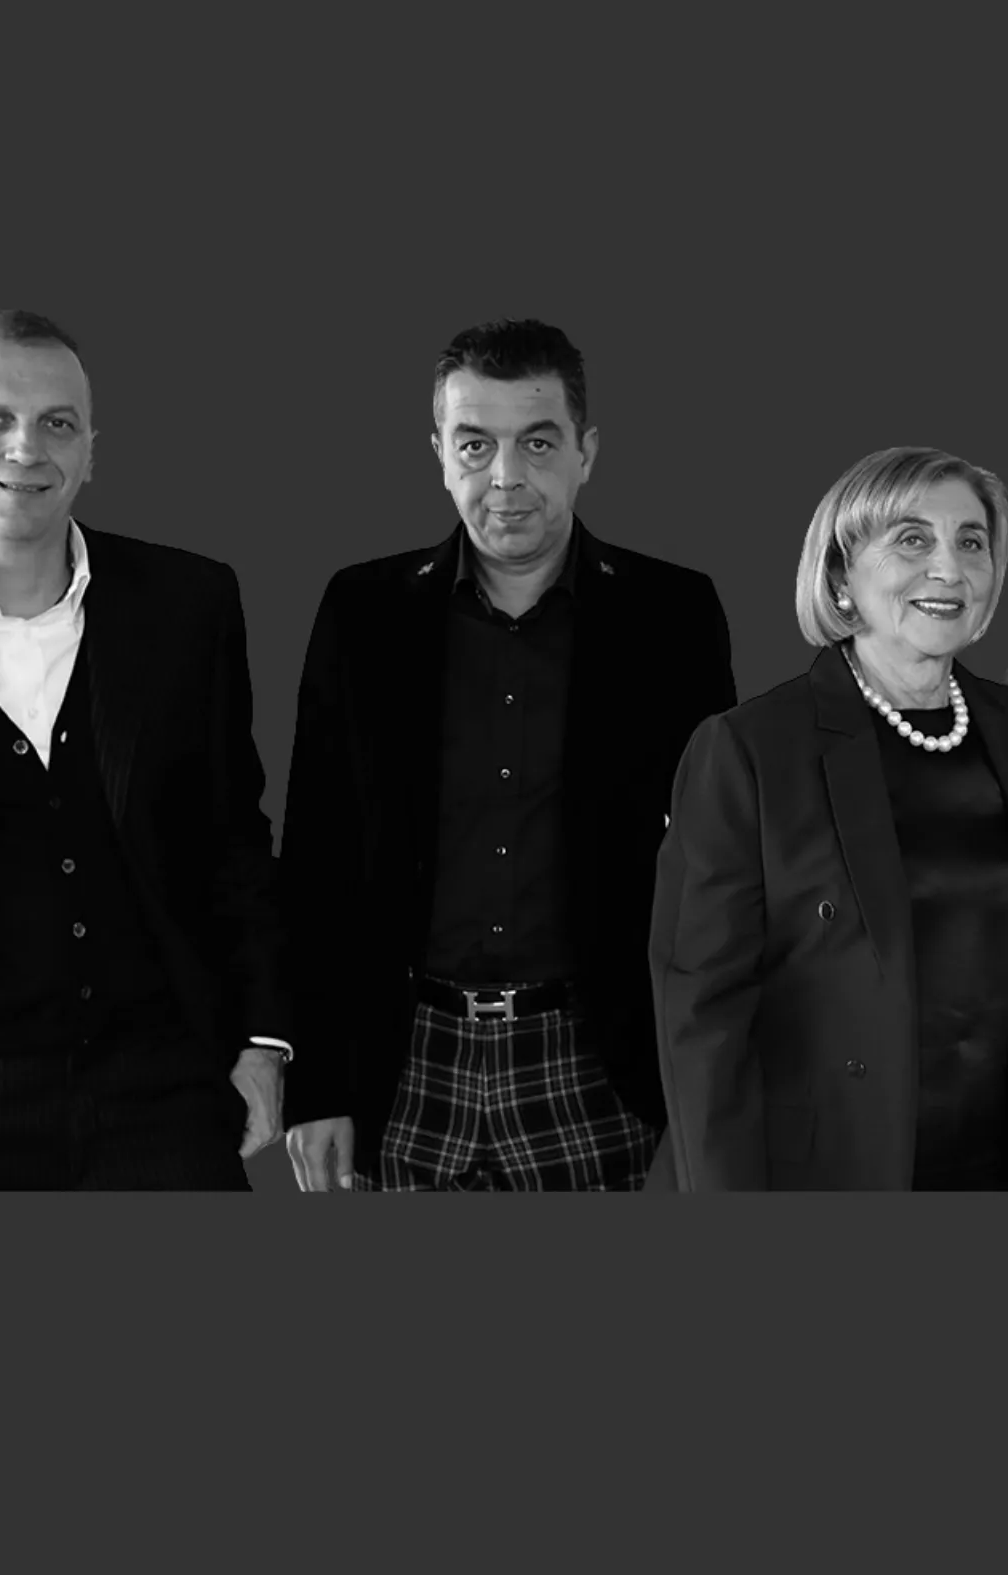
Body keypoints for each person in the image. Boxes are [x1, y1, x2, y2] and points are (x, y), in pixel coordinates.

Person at [279, 319, 735, 1191]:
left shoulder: (671, 615)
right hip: (405, 1060)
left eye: (538, 442)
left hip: (601, 1062)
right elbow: (316, 860)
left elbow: (718, 866)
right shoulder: (363, 612)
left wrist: (705, 1079)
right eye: (475, 444)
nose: (506, 477)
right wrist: (318, 1081)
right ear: (439, 453)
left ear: (586, 451)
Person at [0, 310, 289, 1189]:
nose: (27, 447)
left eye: (58, 423)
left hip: (162, 1088)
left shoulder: (190, 603)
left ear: (91, 450)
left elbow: (234, 839)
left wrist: (264, 1040)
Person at [650, 446, 1008, 1190]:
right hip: (819, 1171)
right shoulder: (750, 749)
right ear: (841, 577)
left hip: (1000, 1166)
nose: (949, 567)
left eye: (971, 541)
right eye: (912, 539)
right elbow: (701, 1017)